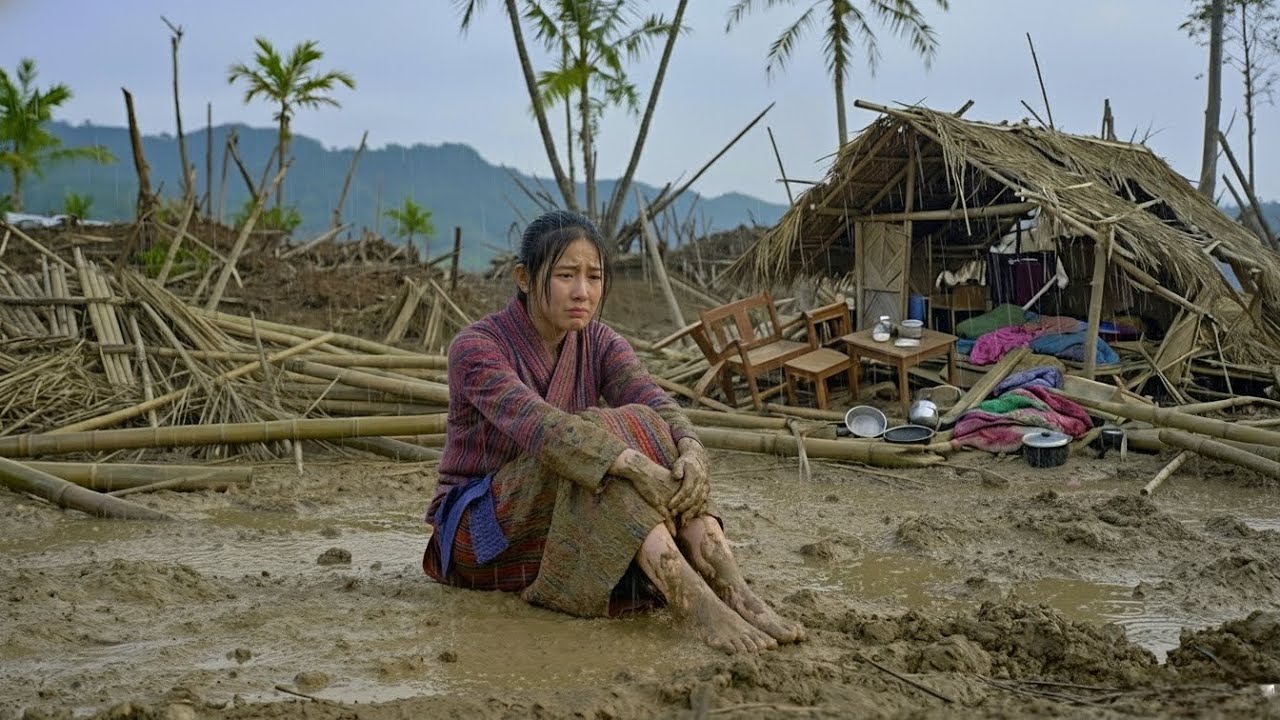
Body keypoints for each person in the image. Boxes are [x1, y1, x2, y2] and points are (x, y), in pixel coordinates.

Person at [422, 209, 805, 654]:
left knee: (640, 428)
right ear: (524, 279)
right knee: (603, 444)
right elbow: (541, 427)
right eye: (566, 275)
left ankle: (737, 592)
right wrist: (631, 462)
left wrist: (691, 450)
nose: (583, 292)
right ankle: (693, 601)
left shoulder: (600, 341)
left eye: (594, 276)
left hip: (566, 509)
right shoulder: (476, 348)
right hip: (484, 530)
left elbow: (657, 402)